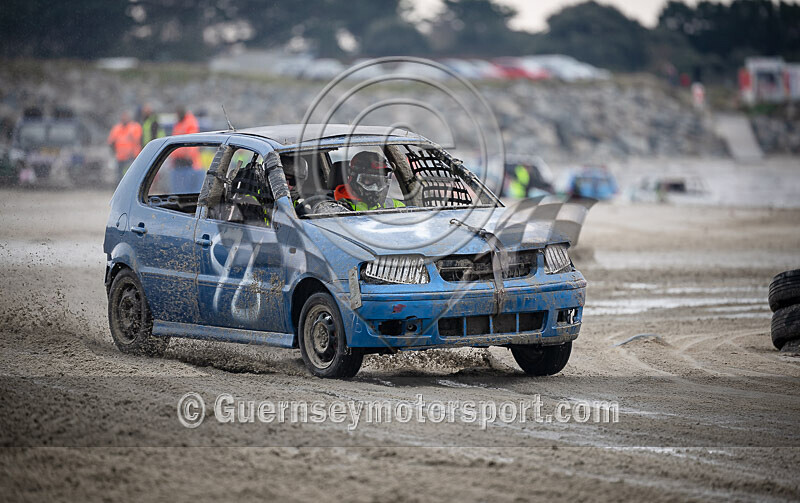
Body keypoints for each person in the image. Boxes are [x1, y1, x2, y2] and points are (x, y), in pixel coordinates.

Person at [334, 151, 405, 211]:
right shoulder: (336, 208)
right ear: (353, 178)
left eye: (380, 181)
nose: (375, 186)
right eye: (369, 179)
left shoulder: (396, 206)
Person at [169, 106, 201, 192]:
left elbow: (191, 142)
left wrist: (187, 155)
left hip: (187, 162)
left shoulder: (189, 123)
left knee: (186, 190)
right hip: (179, 161)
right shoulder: (179, 124)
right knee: (179, 189)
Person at [107, 111, 142, 181]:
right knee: (120, 177)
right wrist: (114, 153)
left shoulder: (135, 127)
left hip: (132, 157)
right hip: (120, 157)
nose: (124, 118)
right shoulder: (116, 128)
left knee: (131, 176)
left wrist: (132, 152)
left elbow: (138, 141)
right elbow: (111, 142)